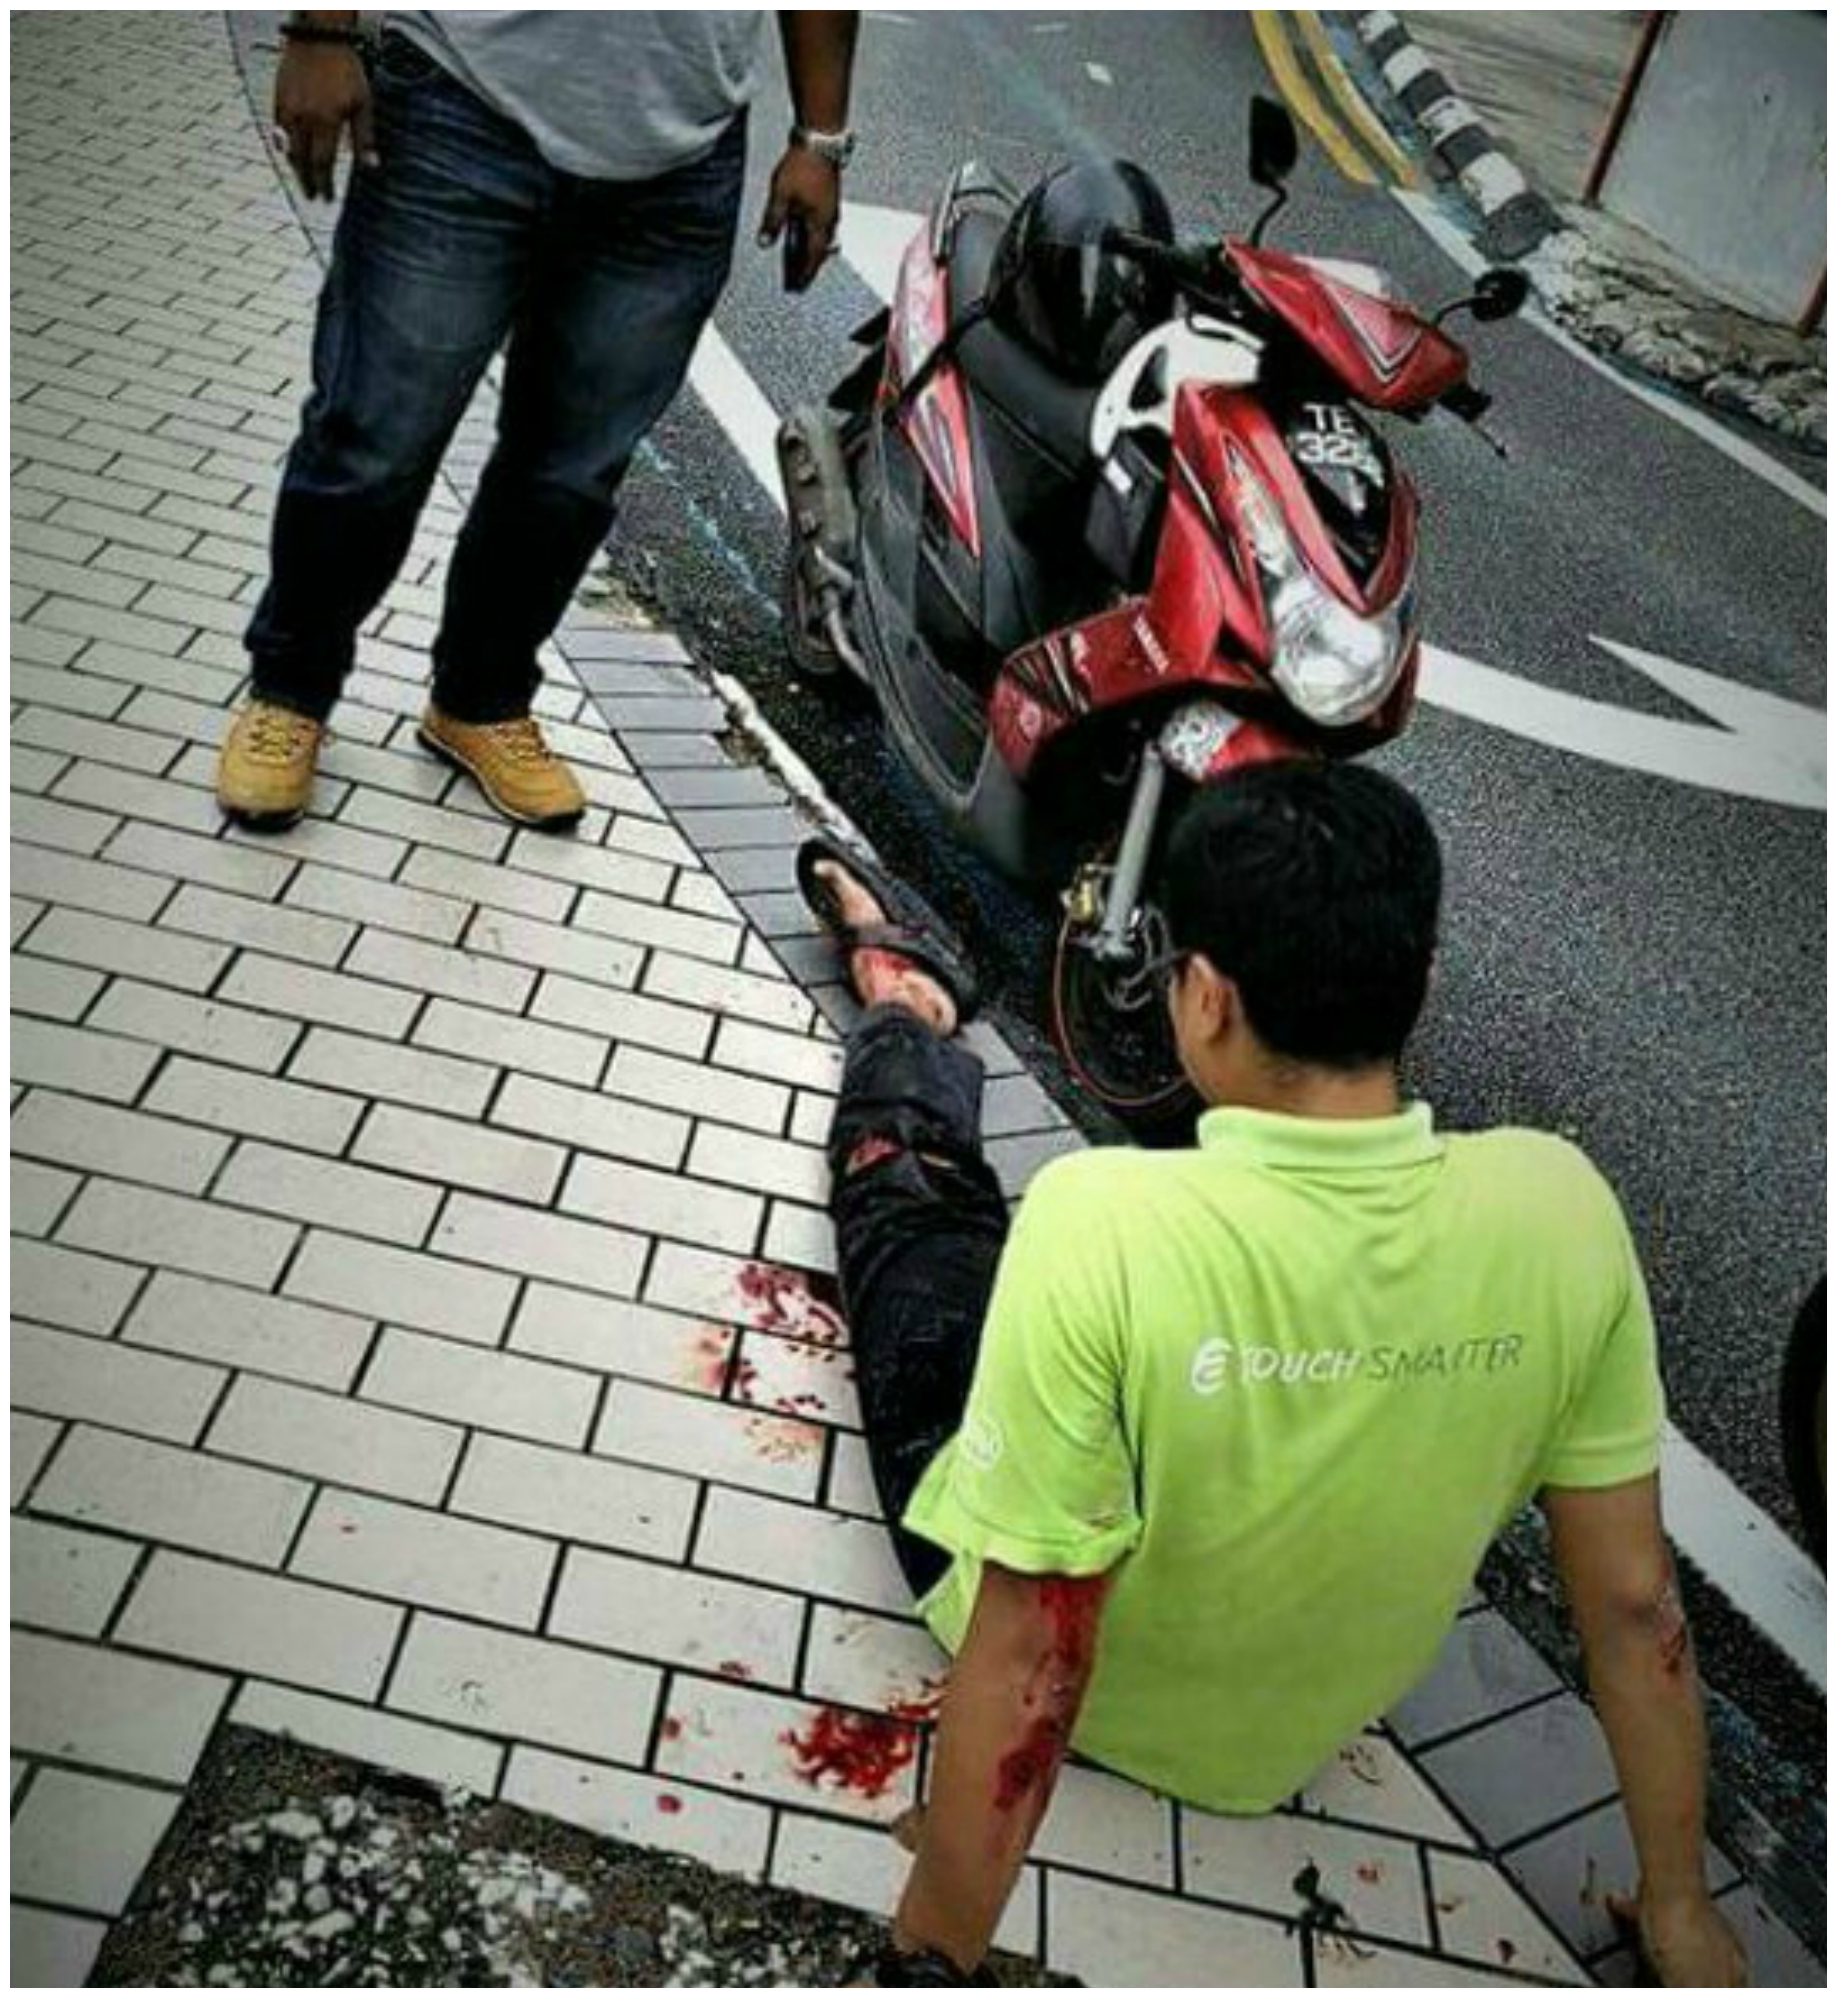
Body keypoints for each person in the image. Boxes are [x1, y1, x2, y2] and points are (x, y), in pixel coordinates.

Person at [796, 763, 1744, 1987]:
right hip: (1284, 1739)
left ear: (1201, 998)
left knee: (911, 1207)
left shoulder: (1104, 1218)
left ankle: (902, 1014)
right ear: (1421, 982)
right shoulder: (1560, 1208)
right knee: (1022, 1295)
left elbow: (1033, 1654)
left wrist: (928, 1965)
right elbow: (1634, 1605)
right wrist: (1681, 1907)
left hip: (1073, 1660)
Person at [217, 10, 859, 835]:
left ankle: (479, 699)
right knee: (376, 437)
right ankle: (291, 689)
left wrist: (821, 136)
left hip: (679, 158)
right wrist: (320, 30)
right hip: (460, 103)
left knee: (569, 470)